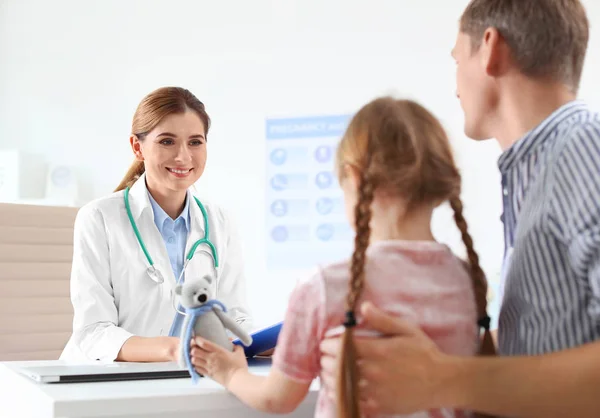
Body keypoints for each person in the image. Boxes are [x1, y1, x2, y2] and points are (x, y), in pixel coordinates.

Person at [320, 1, 600, 417]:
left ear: (490, 48)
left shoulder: (582, 149)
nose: (454, 85)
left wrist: (441, 378)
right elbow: (557, 336)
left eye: (456, 58)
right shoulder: (541, 169)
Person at [187, 97, 494, 417]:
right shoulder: (469, 280)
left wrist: (230, 373)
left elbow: (277, 398)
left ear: (355, 178)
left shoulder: (325, 286)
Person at [60, 87, 252, 363]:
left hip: (180, 378)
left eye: (195, 142)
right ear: (138, 147)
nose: (183, 156)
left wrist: (263, 342)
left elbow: (234, 317)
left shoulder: (220, 222)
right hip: (101, 381)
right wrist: (174, 349)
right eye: (167, 142)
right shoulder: (99, 218)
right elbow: (93, 332)